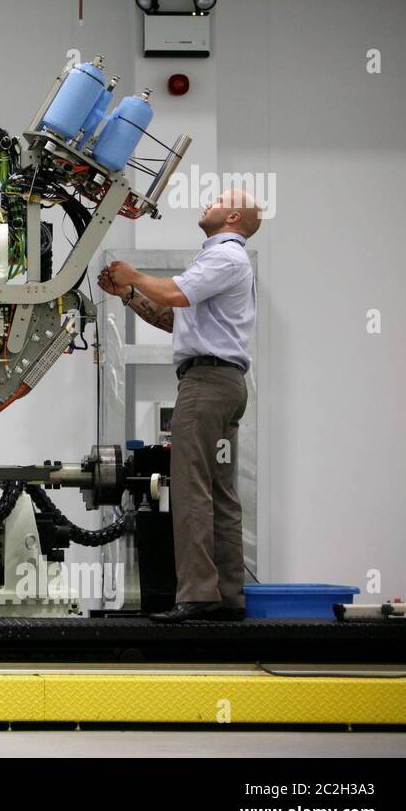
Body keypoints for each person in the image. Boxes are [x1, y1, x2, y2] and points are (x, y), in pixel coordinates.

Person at [98, 189, 262, 622]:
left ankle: (196, 595)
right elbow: (172, 317)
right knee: (222, 492)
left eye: (216, 200)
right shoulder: (221, 262)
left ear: (231, 216)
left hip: (206, 385)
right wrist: (128, 295)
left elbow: (174, 296)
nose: (205, 202)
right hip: (226, 385)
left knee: (189, 487)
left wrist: (134, 275)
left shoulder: (225, 256)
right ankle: (228, 595)